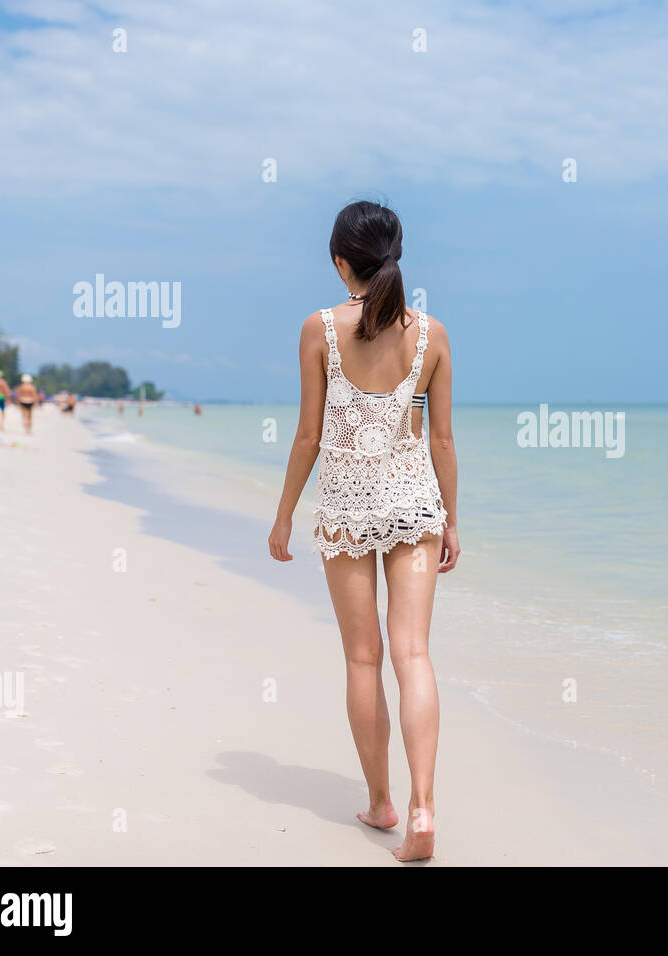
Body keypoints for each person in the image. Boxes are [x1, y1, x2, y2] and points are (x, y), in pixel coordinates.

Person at [268, 200, 460, 862]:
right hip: (415, 502)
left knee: (363, 657)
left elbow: (308, 435)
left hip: (347, 504)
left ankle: (381, 801)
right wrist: (454, 520)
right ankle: (424, 808)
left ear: (338, 261)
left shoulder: (319, 329)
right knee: (414, 656)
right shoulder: (431, 334)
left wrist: (285, 513)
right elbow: (441, 439)